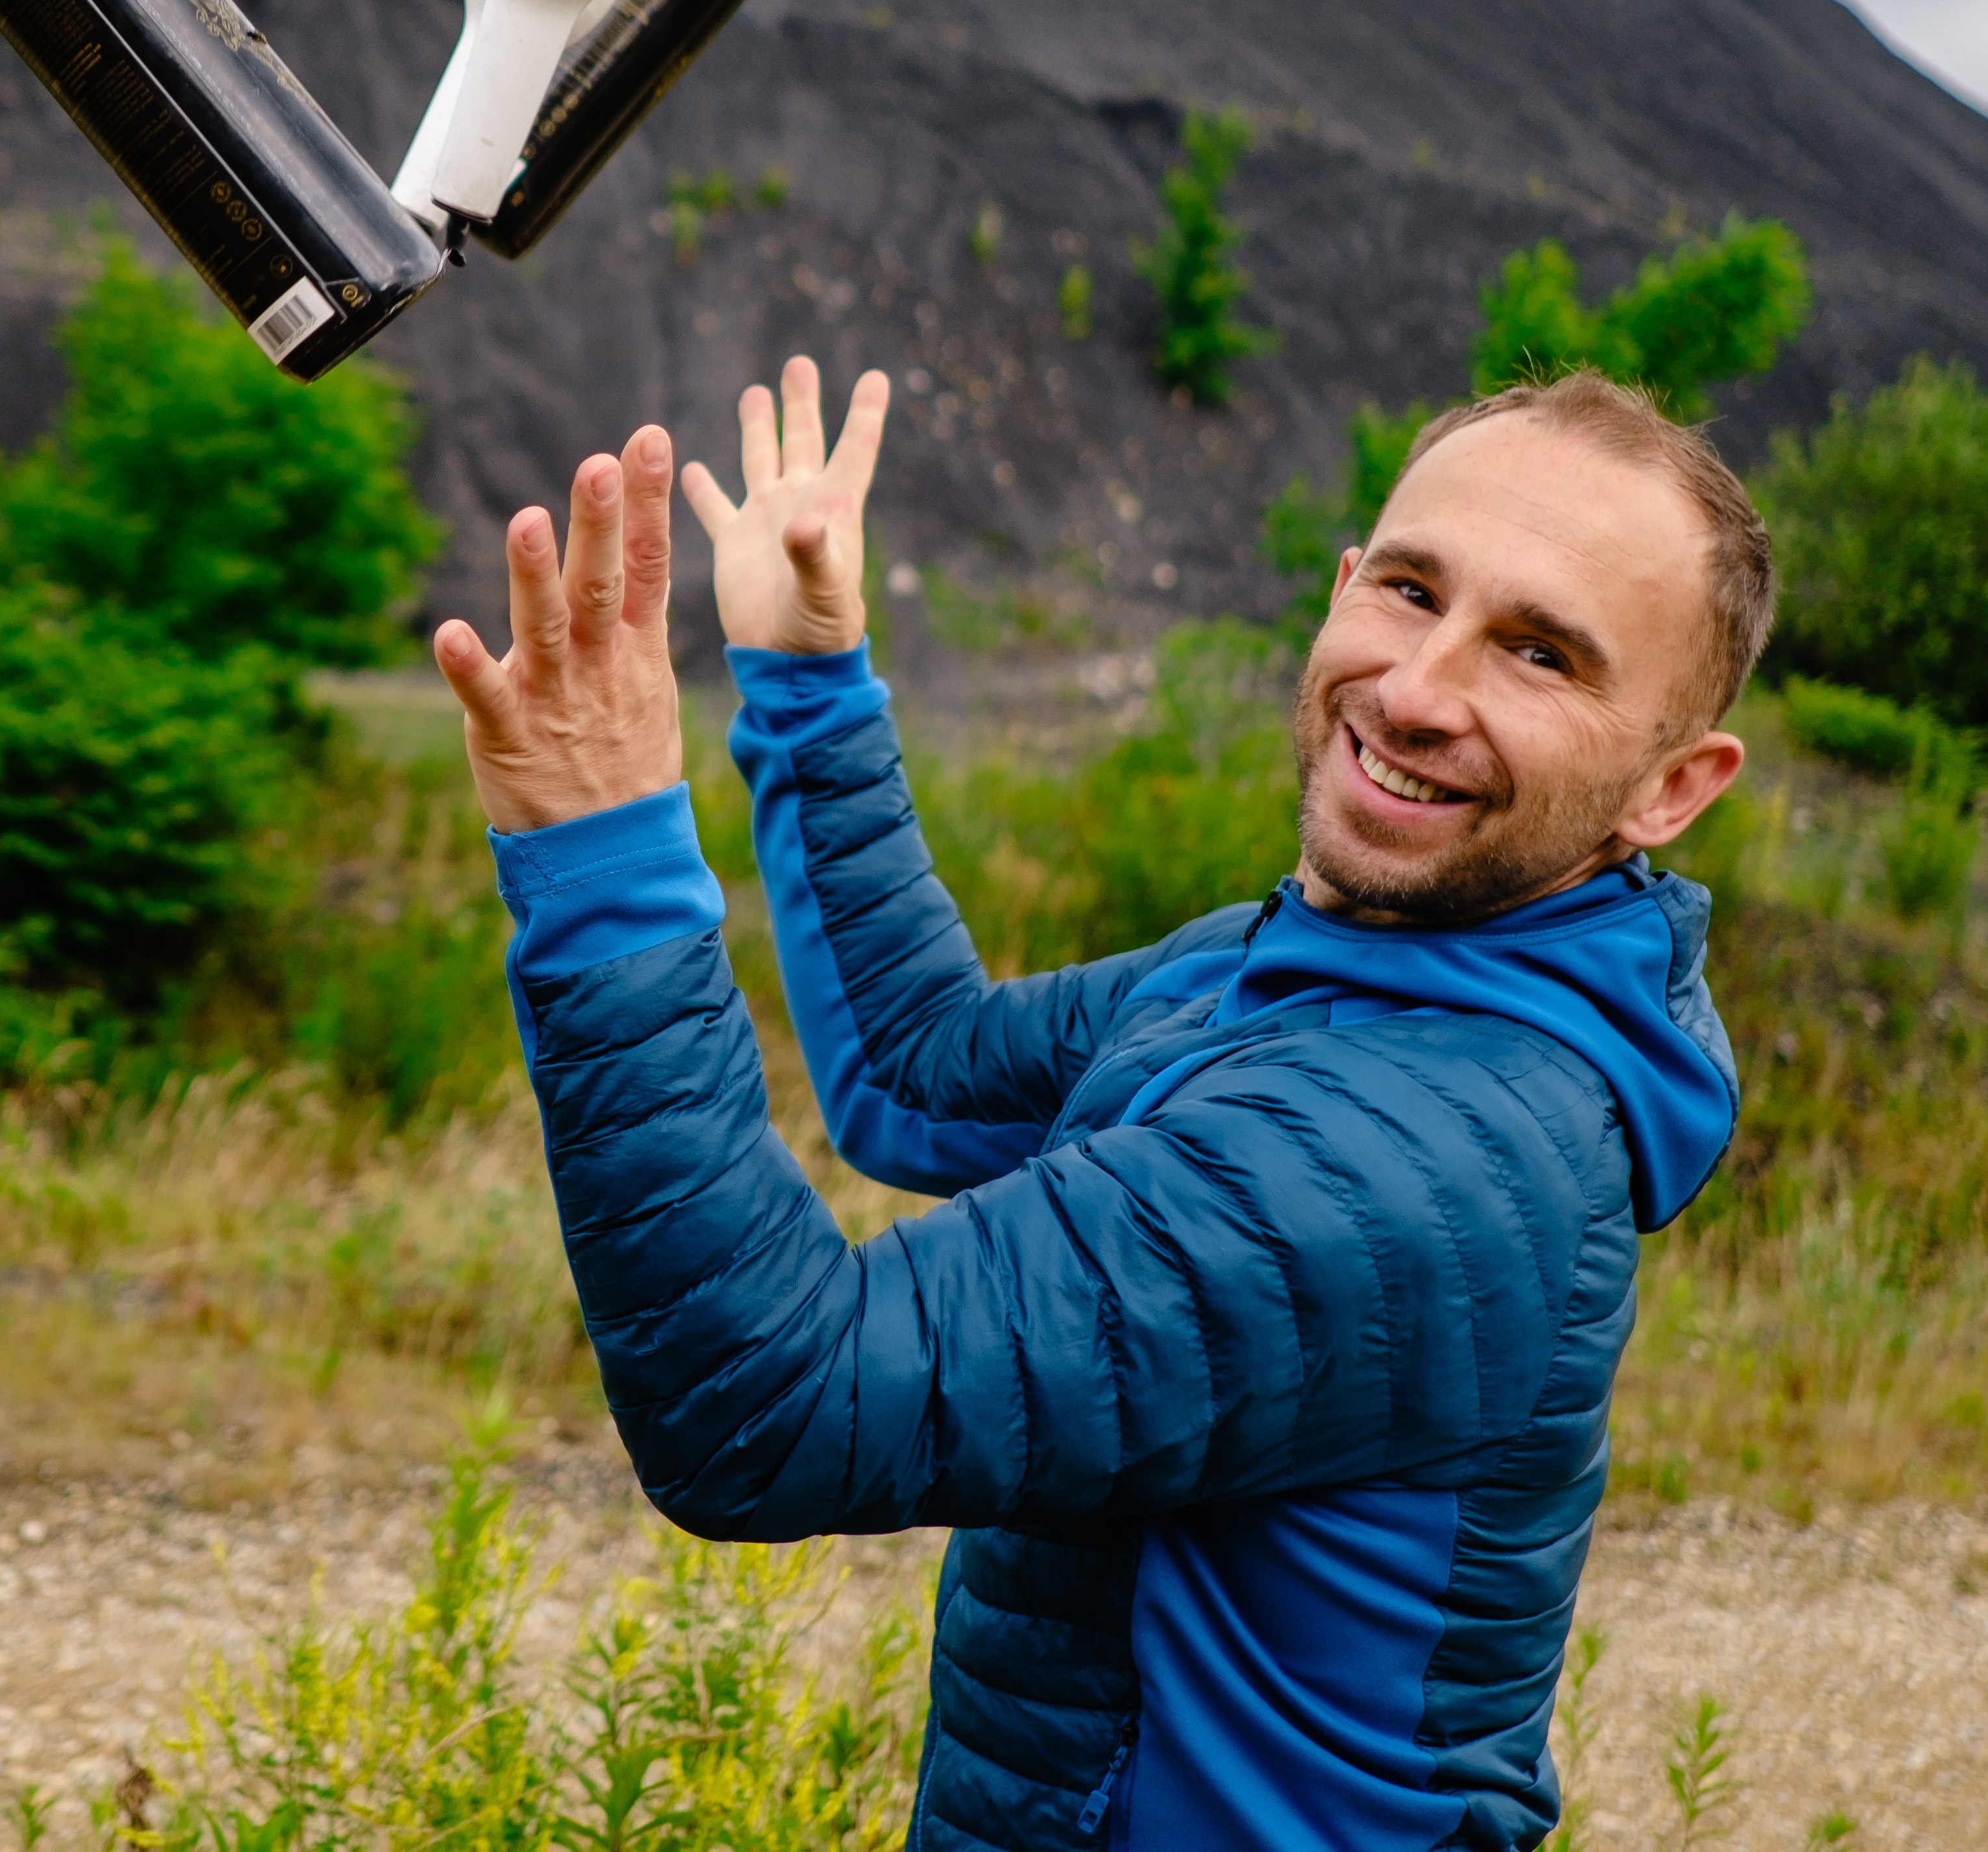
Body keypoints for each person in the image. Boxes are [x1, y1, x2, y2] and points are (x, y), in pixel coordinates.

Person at [429, 354, 1764, 1851]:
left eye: (1541, 654)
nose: (1416, 687)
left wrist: (605, 866)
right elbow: (916, 1071)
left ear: (1671, 789)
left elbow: (768, 1403)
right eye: (1407, 590)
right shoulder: (1312, 966)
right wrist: (809, 680)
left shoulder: (1422, 1156)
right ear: (1339, 588)